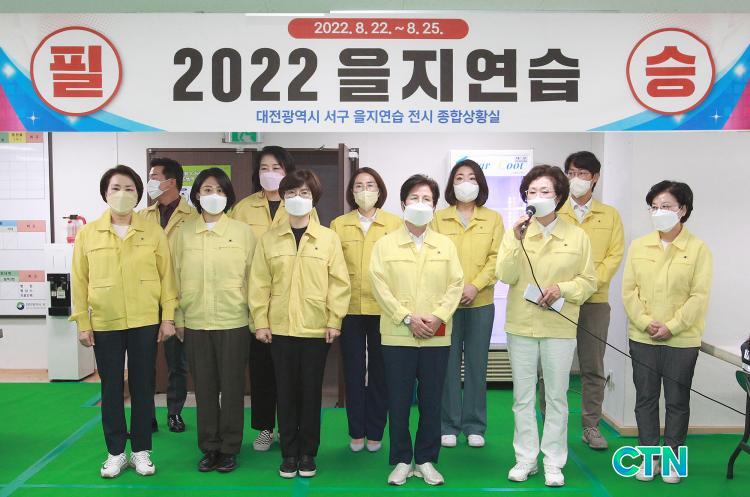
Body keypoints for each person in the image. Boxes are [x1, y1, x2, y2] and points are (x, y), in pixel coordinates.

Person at [71, 165, 177, 478]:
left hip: (145, 320)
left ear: (138, 194)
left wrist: (168, 317)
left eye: (129, 188)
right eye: (115, 188)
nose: (122, 194)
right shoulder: (89, 234)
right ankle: (116, 452)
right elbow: (79, 280)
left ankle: (142, 450)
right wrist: (82, 322)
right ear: (105, 193)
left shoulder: (152, 231)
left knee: (143, 386)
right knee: (112, 388)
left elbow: (167, 277)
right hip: (106, 322)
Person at [495, 165, 596, 487]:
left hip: (559, 327)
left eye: (545, 191)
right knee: (522, 398)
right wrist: (515, 240)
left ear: (559, 196)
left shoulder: (577, 236)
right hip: (521, 325)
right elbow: (505, 275)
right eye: (532, 192)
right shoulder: (516, 233)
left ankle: (553, 461)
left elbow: (589, 281)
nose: (537, 197)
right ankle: (526, 459)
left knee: (556, 397)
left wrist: (562, 289)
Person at [249, 169, 350, 479]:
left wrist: (334, 319)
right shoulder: (269, 239)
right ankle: (289, 454)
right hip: (279, 329)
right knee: (285, 392)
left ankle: (308, 453)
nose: (297, 198)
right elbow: (258, 283)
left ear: (314, 198)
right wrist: (260, 321)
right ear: (283, 198)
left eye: (304, 193)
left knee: (310, 392)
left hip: (316, 328)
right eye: (291, 193)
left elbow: (339, 282)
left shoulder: (328, 238)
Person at [370, 174, 464, 486]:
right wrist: (407, 317)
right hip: (398, 334)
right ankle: (400, 459)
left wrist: (437, 317)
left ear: (435, 207)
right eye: (414, 198)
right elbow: (379, 286)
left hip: (436, 335)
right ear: (402, 203)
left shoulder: (445, 245)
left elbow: (456, 284)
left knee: (431, 401)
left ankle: (425, 459)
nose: (420, 204)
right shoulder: (385, 244)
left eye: (427, 199)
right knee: (397, 401)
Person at [622, 180, 712, 484]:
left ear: (682, 210)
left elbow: (699, 296)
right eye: (654, 207)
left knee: (677, 401)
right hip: (643, 336)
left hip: (682, 340)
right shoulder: (639, 246)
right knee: (645, 399)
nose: (659, 212)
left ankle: (672, 460)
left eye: (666, 206)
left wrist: (671, 326)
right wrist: (645, 321)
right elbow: (628, 291)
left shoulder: (698, 249)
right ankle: (649, 458)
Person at [231, 145, 319, 452]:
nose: (270, 174)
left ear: (288, 171)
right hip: (255, 301)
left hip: (293, 303)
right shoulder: (243, 208)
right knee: (262, 371)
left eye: (277, 168)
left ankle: (289, 427)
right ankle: (265, 428)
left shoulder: (300, 202)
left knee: (293, 373)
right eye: (264, 168)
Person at [171, 168, 256, 473]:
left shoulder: (243, 233)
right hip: (195, 322)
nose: (213, 196)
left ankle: (230, 447)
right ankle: (209, 447)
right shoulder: (183, 234)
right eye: (207, 190)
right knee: (204, 389)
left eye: (220, 190)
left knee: (232, 389)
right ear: (196, 195)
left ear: (228, 196)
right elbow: (173, 278)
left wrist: (256, 318)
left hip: (234, 321)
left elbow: (254, 279)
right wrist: (177, 317)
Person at [545, 151, 624, 450]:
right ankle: (549, 424)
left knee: (593, 367)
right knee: (552, 366)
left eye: (582, 174)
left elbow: (614, 256)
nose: (575, 179)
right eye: (571, 173)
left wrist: (587, 285)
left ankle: (591, 426)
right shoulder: (554, 211)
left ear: (595, 178)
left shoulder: (610, 215)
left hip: (594, 301)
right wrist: (565, 288)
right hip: (558, 300)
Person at [432, 159, 504, 450]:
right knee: (446, 366)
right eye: (459, 177)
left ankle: (474, 425)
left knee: (477, 365)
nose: (465, 183)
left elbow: (497, 258)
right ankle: (448, 425)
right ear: (452, 184)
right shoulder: (439, 218)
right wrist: (454, 290)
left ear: (480, 184)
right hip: (445, 306)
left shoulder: (493, 219)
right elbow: (434, 257)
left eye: (471, 177)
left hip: (481, 302)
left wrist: (475, 285)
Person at [331, 167, 402, 453]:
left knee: (380, 373)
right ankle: (356, 431)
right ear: (351, 192)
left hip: (383, 308)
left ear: (380, 190)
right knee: (353, 371)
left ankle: (375, 431)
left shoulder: (395, 223)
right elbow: (333, 269)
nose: (364, 191)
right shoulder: (338, 225)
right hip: (349, 308)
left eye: (370, 185)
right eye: (359, 186)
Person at [141, 157, 195, 434]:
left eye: (154, 176)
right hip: (146, 300)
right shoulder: (142, 216)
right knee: (144, 362)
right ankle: (146, 414)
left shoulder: (193, 217)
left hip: (178, 300)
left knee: (177, 363)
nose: (149, 181)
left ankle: (174, 412)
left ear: (171, 182)